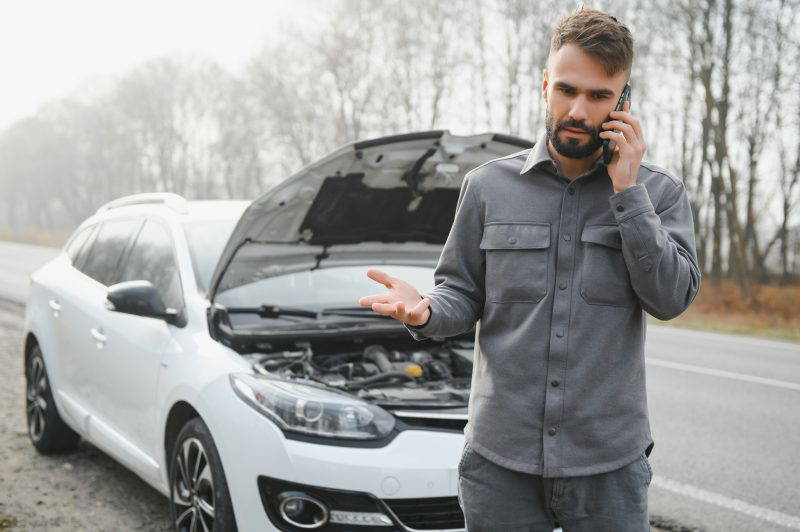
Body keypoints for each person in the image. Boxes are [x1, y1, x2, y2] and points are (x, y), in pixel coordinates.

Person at [358, 7, 701, 532]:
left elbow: (671, 299)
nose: (578, 110)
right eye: (566, 90)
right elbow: (462, 295)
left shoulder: (658, 193)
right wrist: (424, 309)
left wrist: (628, 193)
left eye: (599, 96)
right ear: (545, 85)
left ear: (624, 99)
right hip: (500, 464)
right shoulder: (486, 187)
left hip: (608, 468)